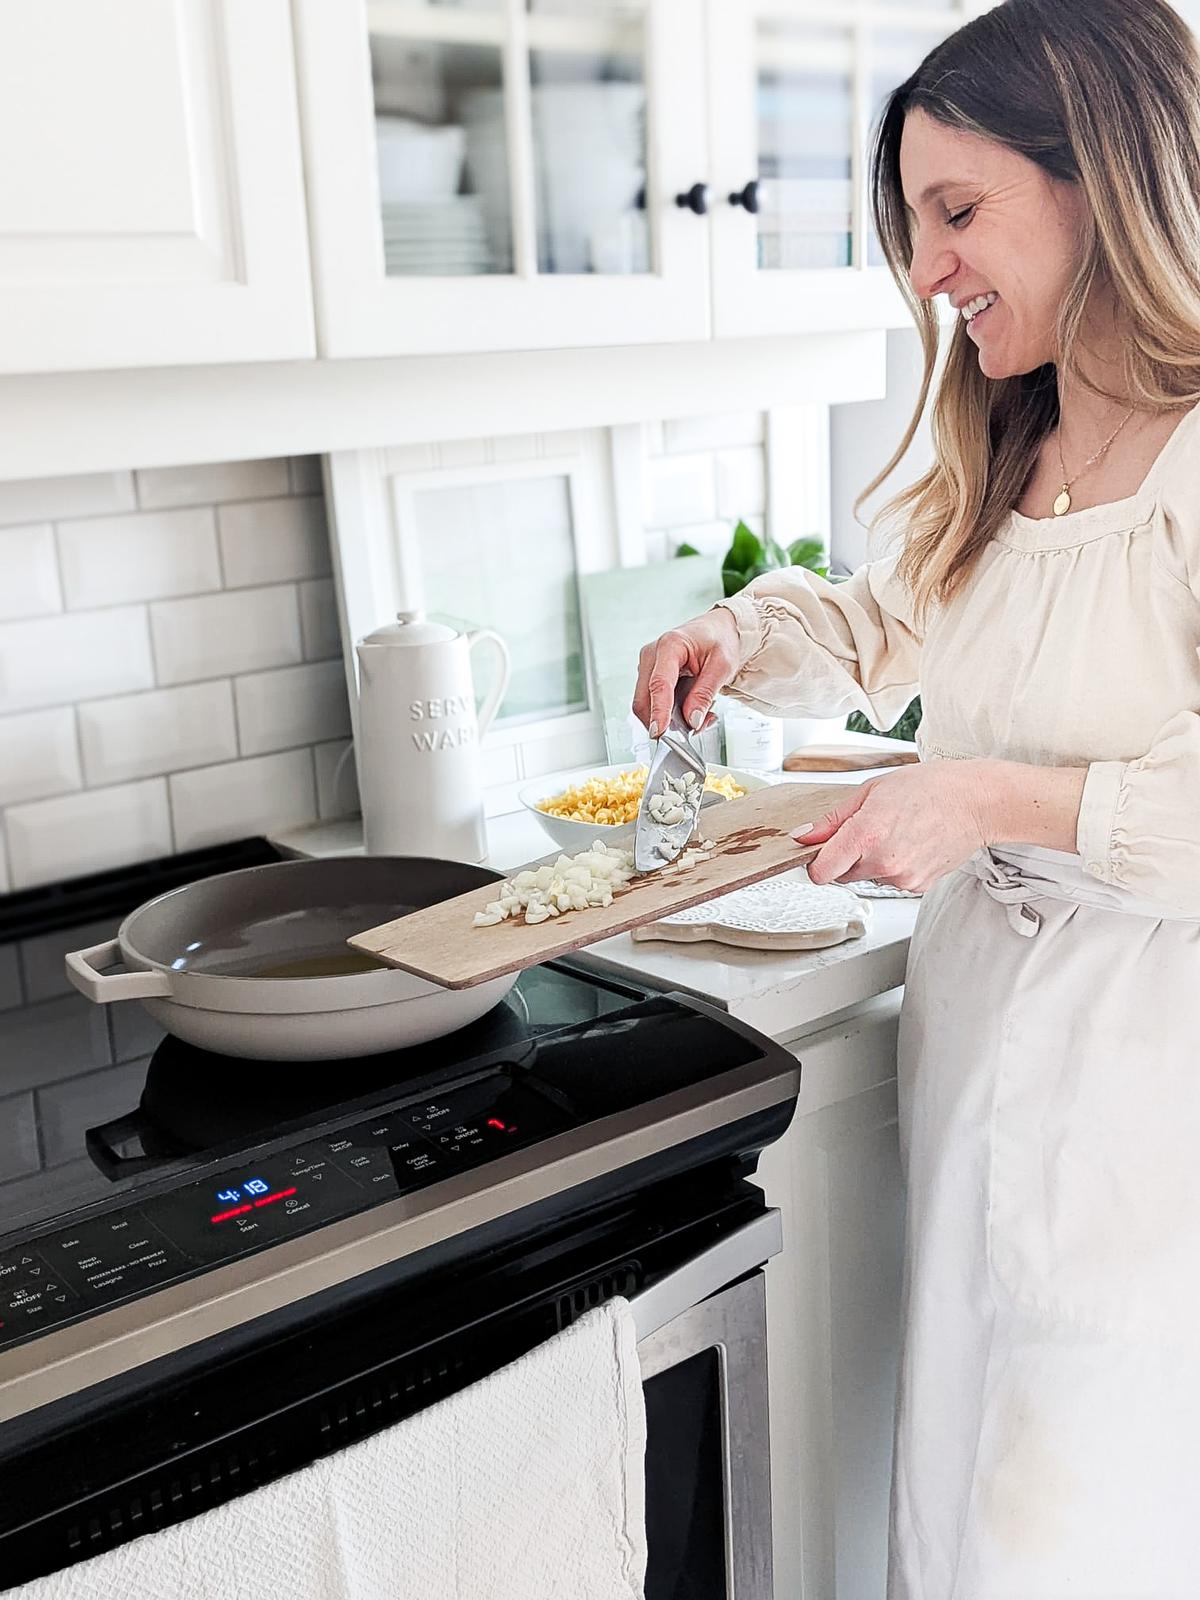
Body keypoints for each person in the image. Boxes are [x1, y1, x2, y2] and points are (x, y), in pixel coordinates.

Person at [633, 1, 1200, 1593]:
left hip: (1149, 1104)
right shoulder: (1013, 444)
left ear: (1102, 182)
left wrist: (992, 802)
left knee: (1080, 1531)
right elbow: (881, 621)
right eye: (914, 223)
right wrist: (739, 634)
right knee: (957, 1510)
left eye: (959, 212)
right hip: (975, 1071)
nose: (930, 269)